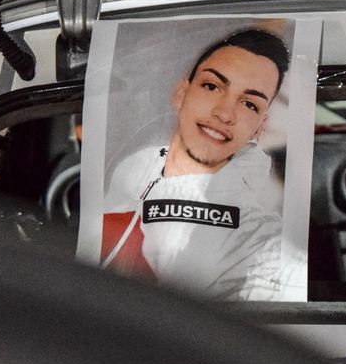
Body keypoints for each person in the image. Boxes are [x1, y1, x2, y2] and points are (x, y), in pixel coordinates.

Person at [98, 29, 290, 301]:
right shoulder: (136, 165)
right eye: (212, 87)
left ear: (260, 127)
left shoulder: (259, 236)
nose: (224, 113)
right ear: (181, 92)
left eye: (249, 104)